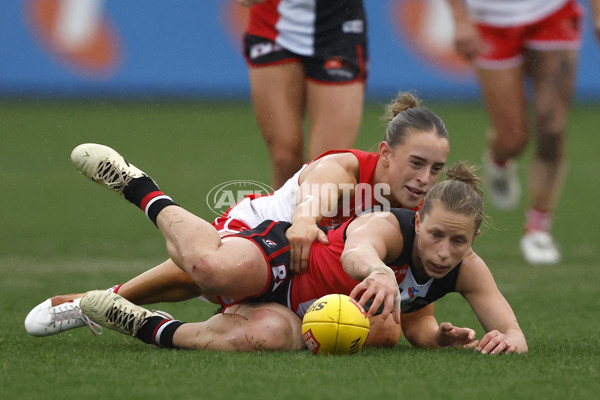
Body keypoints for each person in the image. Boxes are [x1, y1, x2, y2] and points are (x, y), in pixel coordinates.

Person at [25, 92, 450, 347]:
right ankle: (133, 204)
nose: (425, 179)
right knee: (207, 273)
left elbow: (415, 312)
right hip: (261, 237)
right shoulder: (351, 168)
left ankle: (122, 312)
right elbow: (318, 187)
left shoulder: (418, 221)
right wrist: (305, 220)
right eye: (416, 163)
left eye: (436, 170)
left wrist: (438, 335)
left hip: (297, 292)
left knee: (379, 332)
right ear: (387, 153)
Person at [68, 149, 527, 354]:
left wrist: (456, 339)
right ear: (420, 221)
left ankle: (147, 327)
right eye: (437, 236)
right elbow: (357, 252)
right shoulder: (394, 224)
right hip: (287, 263)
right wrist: (378, 271)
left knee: (258, 340)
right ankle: (139, 188)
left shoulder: (467, 269)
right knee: (208, 269)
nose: (445, 252)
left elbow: (512, 332)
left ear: (474, 241)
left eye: (459, 242)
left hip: (301, 315)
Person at [446, 0, 600, 265]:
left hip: (553, 11)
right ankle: (499, 157)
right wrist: (460, 19)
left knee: (553, 125)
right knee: (513, 139)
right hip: (490, 18)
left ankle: (538, 227)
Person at [239, 0, 368, 189]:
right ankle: (283, 217)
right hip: (273, 22)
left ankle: (312, 217)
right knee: (284, 157)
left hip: (339, 25)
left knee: (327, 166)